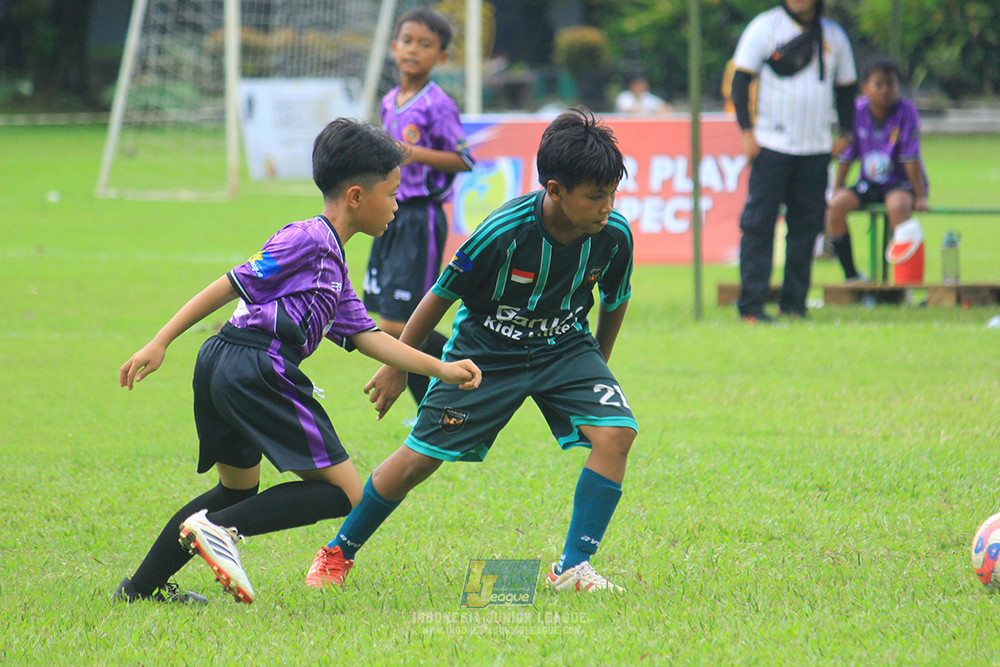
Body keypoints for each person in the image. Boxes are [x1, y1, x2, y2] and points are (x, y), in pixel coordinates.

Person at [112, 119, 481, 605]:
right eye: (392, 193)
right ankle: (217, 531)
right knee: (347, 494)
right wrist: (159, 342)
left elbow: (365, 335)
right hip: (256, 367)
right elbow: (230, 282)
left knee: (237, 492)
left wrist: (442, 368)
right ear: (355, 196)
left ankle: (138, 590)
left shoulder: (332, 257)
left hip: (227, 362)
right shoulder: (307, 238)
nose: (397, 204)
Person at [305, 108, 637, 593]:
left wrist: (596, 365)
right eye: (595, 196)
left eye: (611, 193)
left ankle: (572, 567)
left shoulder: (614, 235)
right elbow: (440, 295)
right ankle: (338, 552)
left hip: (564, 346)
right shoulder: (503, 231)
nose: (607, 206)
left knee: (616, 434)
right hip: (486, 353)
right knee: (420, 458)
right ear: (555, 189)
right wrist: (398, 366)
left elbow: (616, 299)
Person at [364, 7, 475, 407]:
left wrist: (414, 152)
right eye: (407, 41)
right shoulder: (390, 100)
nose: (413, 49)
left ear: (441, 58)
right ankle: (436, 402)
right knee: (387, 321)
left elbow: (465, 159)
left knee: (399, 323)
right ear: (393, 48)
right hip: (388, 216)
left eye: (425, 44)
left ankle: (462, 375)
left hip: (421, 217)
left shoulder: (438, 104)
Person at [730, 0, 857, 321]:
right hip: (771, 145)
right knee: (758, 225)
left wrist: (845, 133)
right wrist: (747, 132)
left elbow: (846, 89)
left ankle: (795, 304)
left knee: (806, 227)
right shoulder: (764, 26)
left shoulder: (834, 35)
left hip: (815, 149)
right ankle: (752, 305)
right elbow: (740, 81)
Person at [826, 57, 929, 283]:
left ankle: (900, 284)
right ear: (865, 89)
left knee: (897, 206)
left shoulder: (907, 112)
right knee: (834, 208)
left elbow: (911, 158)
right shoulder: (857, 111)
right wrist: (837, 188)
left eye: (890, 84)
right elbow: (847, 155)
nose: (885, 90)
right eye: (878, 84)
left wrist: (920, 195)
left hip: (900, 182)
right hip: (869, 181)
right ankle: (852, 276)